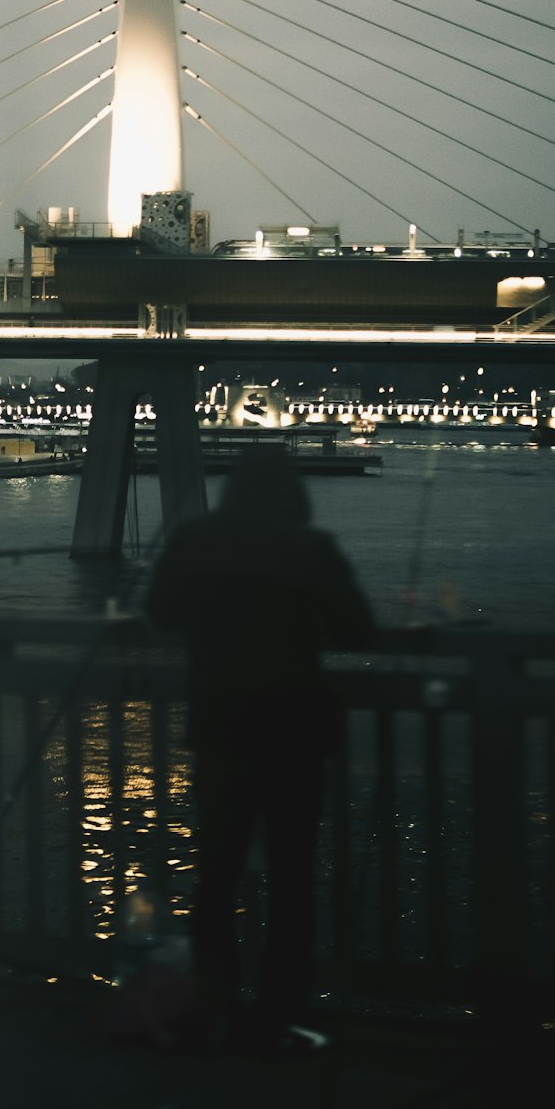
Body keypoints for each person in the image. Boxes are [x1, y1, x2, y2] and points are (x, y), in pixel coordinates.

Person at [146, 447, 374, 1051]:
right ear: (291, 490)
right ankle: (280, 1016)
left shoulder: (196, 540)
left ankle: (212, 1003)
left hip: (222, 727)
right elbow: (357, 630)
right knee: (292, 878)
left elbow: (160, 612)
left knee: (216, 875)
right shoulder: (311, 548)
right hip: (297, 729)